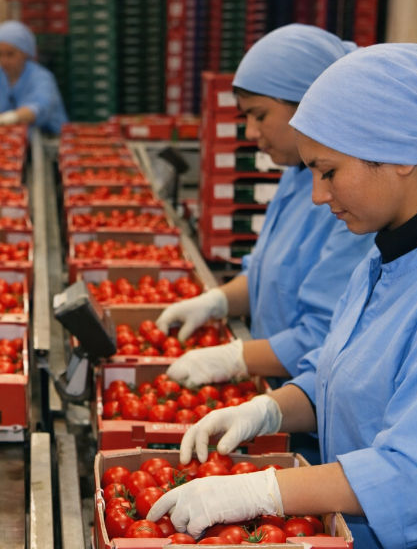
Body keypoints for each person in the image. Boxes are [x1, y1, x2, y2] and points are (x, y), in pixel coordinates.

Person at [147, 43, 417, 549]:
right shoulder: (391, 254)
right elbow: (341, 369)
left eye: (329, 171)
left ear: (401, 157)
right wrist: (269, 409)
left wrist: (262, 493)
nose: (317, 195)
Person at [156, 25, 375, 390]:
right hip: (272, 385)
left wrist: (234, 358)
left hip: (307, 404)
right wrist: (216, 302)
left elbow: (326, 334)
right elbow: (268, 275)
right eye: (244, 118)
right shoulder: (296, 174)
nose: (251, 132)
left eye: (259, 115)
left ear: (308, 104)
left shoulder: (353, 203)